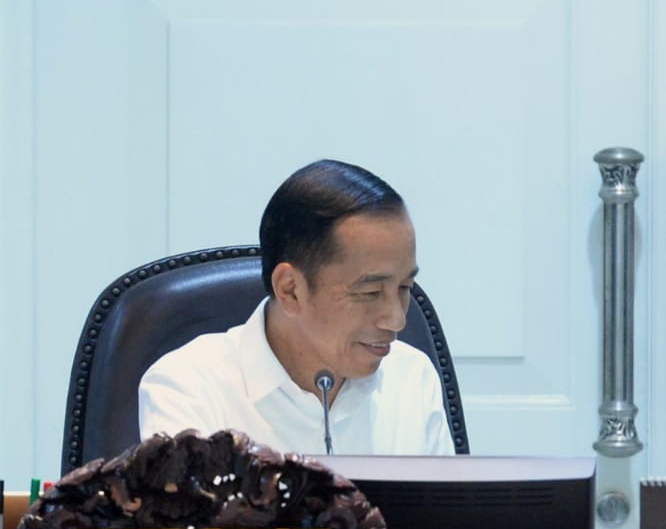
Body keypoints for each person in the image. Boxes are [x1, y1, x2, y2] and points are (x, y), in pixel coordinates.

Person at [138, 159, 455, 456]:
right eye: (370, 291)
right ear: (290, 290)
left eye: (404, 288)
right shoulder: (188, 386)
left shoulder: (413, 377)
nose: (397, 320)